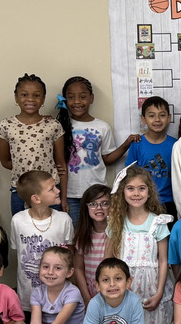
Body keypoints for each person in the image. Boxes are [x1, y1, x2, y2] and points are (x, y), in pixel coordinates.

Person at [106, 165, 175, 324]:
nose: (136, 193)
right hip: (124, 286)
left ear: (149, 191)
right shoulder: (116, 222)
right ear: (123, 192)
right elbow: (107, 261)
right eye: (130, 188)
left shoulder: (158, 222)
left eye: (141, 188)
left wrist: (159, 293)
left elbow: (163, 261)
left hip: (153, 286)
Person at [56, 75, 131, 224]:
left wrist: (126, 144)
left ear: (91, 98)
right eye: (71, 97)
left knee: (98, 235)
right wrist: (63, 198)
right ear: (64, 100)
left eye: (82, 97)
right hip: (70, 195)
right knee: (75, 236)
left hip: (97, 194)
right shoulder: (59, 126)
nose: (77, 101)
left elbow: (107, 159)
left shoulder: (102, 127)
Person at [0, 73, 67, 215]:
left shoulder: (53, 125)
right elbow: (5, 161)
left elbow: (60, 164)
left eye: (36, 95)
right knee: (22, 232)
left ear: (43, 99)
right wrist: (28, 173)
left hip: (50, 191)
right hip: (20, 191)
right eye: (24, 95)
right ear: (16, 97)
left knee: (52, 231)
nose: (30, 99)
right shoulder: (6, 125)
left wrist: (64, 198)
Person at [8, 170, 74, 309]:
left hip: (57, 297)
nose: (57, 191)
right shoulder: (18, 221)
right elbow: (18, 251)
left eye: (56, 186)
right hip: (27, 297)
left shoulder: (64, 220)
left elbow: (70, 254)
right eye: (51, 189)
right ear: (36, 199)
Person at [125, 96, 178, 221]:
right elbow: (129, 175)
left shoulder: (176, 145)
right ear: (143, 119)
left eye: (162, 115)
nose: (157, 120)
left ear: (169, 118)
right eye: (152, 115)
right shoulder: (137, 144)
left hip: (169, 202)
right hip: (143, 201)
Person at [72, 183, 111, 307]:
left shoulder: (117, 234)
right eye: (93, 204)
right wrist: (86, 297)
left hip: (113, 291)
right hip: (91, 291)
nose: (99, 208)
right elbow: (78, 268)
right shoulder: (82, 235)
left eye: (105, 203)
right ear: (86, 208)